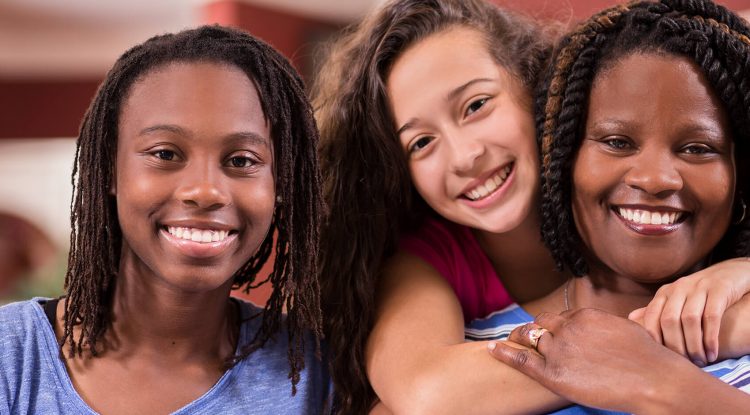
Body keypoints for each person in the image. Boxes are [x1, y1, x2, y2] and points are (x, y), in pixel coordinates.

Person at [313, 0, 750, 413]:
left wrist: (741, 271)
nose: (465, 156)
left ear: (537, 89)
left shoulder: (677, 234)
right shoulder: (428, 263)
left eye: (477, 105)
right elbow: (428, 393)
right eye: (421, 142)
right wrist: (652, 344)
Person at [0, 25, 330, 414]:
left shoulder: (317, 375)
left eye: (242, 160)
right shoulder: (12, 356)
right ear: (109, 169)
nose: (206, 191)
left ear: (281, 184)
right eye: (166, 154)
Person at [467, 0, 750, 412]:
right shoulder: (471, 359)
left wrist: (657, 379)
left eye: (697, 148)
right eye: (617, 142)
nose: (655, 179)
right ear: (562, 159)